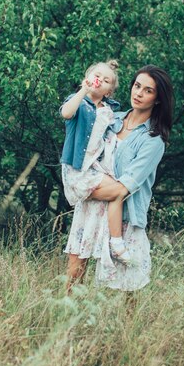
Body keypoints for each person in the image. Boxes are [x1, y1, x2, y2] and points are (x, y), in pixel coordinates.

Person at [65, 64, 174, 292]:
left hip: (124, 214)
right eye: (137, 86)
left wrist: (79, 189)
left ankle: (128, 328)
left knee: (127, 287)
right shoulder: (111, 118)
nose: (139, 94)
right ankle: (67, 324)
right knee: (74, 274)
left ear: (158, 99)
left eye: (148, 91)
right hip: (91, 207)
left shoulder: (153, 140)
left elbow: (122, 189)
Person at [60, 60, 132, 266]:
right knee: (119, 191)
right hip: (77, 172)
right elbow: (66, 113)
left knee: (119, 191)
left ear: (109, 92)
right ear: (88, 77)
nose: (100, 80)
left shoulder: (110, 113)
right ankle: (116, 243)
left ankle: (104, 243)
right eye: (97, 75)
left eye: (106, 80)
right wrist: (84, 89)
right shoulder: (79, 103)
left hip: (94, 169)